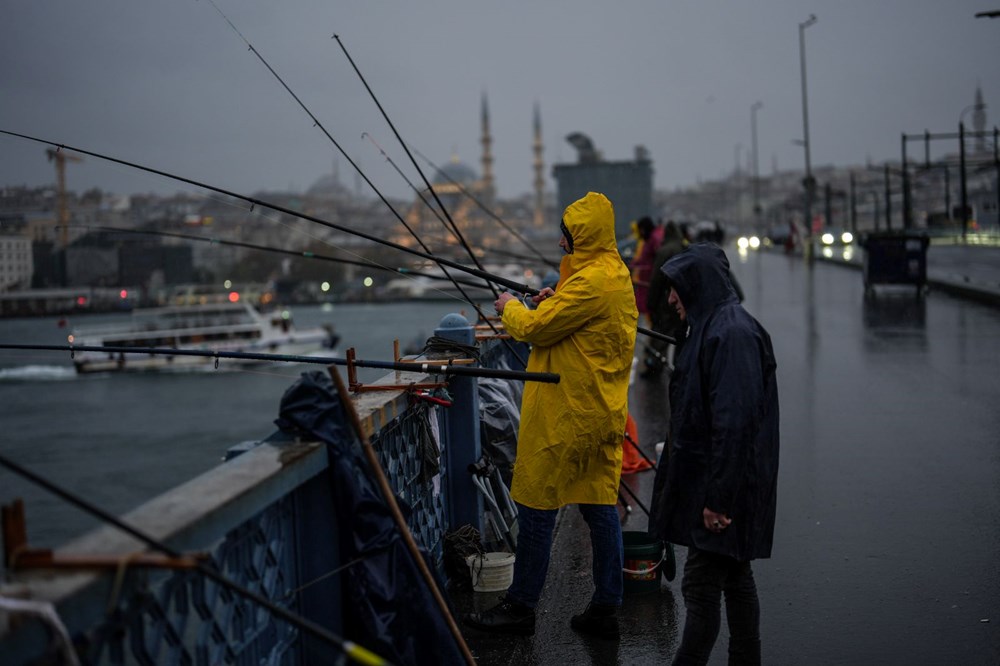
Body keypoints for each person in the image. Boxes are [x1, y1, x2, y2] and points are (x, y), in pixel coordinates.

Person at [463, 191, 638, 640]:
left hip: (568, 415)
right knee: (600, 506)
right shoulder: (612, 273)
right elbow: (575, 318)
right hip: (602, 410)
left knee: (537, 503)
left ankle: (521, 607)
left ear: (583, 237)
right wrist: (555, 297)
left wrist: (511, 308)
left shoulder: (590, 282)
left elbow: (534, 329)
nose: (562, 246)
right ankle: (605, 607)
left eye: (567, 238)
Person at [647, 242, 779, 665]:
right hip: (724, 483)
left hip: (725, 488)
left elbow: (735, 422)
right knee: (736, 577)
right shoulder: (714, 326)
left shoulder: (731, 334)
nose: (670, 298)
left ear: (697, 286)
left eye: (677, 289)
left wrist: (719, 499)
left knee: (701, 588)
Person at [641, 220, 687, 378]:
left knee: (660, 336)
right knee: (680, 338)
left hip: (666, 302)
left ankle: (655, 368)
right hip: (684, 302)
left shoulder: (664, 251)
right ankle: (679, 372)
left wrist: (651, 303)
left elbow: (656, 280)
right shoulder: (684, 248)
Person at [629, 216, 664, 328]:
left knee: (650, 313)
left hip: (649, 283)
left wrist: (635, 266)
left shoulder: (654, 239)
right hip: (645, 282)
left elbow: (654, 261)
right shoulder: (652, 238)